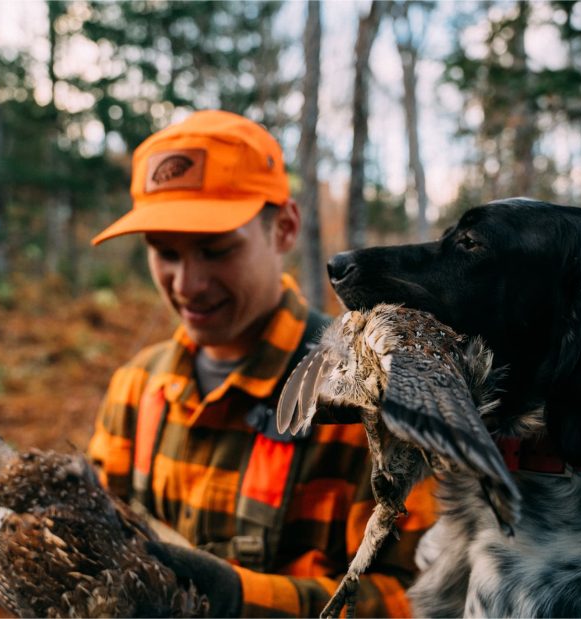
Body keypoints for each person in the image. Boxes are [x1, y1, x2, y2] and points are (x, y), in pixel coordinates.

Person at [87, 110, 438, 618]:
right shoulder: (137, 387)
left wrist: (238, 599)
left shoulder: (372, 400)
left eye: (216, 250)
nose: (186, 284)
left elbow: (421, 598)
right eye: (165, 253)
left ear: (285, 229)